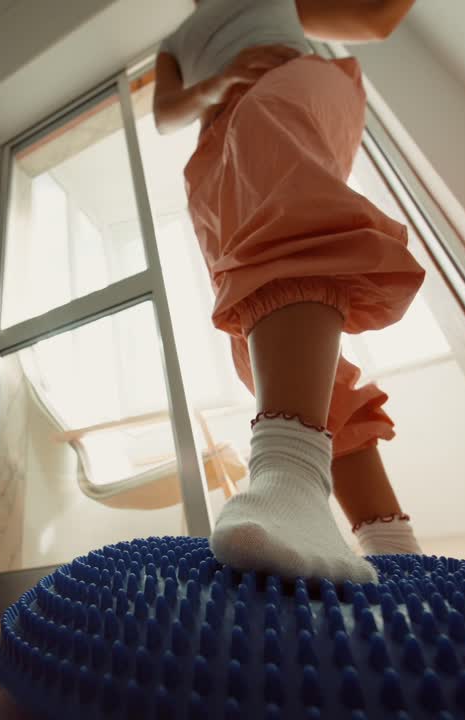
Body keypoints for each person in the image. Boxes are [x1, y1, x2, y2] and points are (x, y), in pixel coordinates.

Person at [153, 0, 425, 582]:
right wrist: (223, 79)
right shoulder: (174, 40)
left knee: (283, 210)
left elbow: (374, 17)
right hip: (213, 141)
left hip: (287, 87)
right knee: (254, 313)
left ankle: (289, 477)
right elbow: (165, 113)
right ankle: (392, 542)